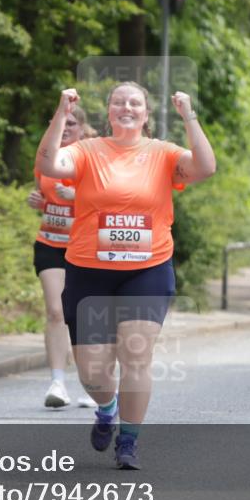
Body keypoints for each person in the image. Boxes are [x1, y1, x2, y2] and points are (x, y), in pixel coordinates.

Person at [35, 82, 216, 469]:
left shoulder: (164, 154)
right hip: (88, 271)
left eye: (135, 103)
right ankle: (107, 408)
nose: (127, 107)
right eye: (119, 102)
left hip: (147, 270)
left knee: (136, 354)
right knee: (94, 373)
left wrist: (189, 116)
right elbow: (48, 165)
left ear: (146, 114)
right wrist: (61, 113)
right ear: (109, 112)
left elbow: (206, 167)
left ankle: (129, 441)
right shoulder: (87, 150)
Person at [27, 106, 97, 409]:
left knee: (82, 315)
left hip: (85, 248)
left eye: (71, 123)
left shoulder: (93, 156)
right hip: (50, 243)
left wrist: (80, 197)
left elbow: (112, 201)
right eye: (59, 122)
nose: (65, 128)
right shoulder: (46, 156)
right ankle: (57, 382)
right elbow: (43, 194)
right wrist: (38, 202)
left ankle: (94, 383)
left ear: (81, 128)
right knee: (56, 311)